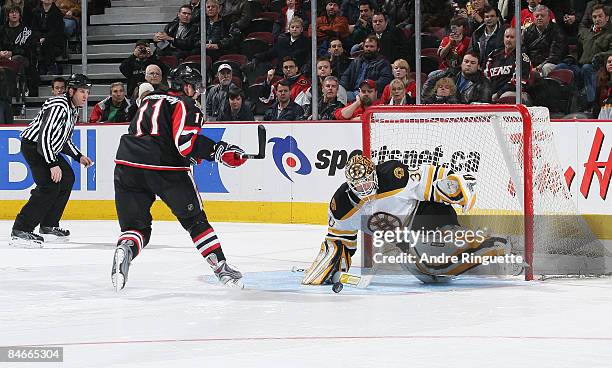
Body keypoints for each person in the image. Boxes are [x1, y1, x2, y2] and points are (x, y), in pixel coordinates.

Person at [112, 64, 247, 291]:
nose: (197, 92)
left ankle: (126, 248)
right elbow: (185, 145)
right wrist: (219, 151)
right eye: (195, 87)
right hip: (166, 169)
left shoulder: (150, 100)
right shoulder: (187, 105)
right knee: (195, 222)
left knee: (137, 228)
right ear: (186, 87)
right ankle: (221, 268)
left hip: (127, 165)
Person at [301, 154, 508, 285]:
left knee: (429, 253)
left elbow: (429, 176)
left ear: (373, 174)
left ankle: (491, 243)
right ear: (349, 185)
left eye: (367, 183)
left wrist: (454, 187)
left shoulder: (392, 176)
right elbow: (338, 242)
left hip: (427, 213)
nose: (365, 190)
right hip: (408, 243)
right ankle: (480, 257)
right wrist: (328, 268)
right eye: (359, 186)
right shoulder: (342, 206)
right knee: (431, 275)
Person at [9, 74, 94, 248]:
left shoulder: (72, 108)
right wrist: (52, 164)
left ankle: (48, 224)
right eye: (82, 92)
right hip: (34, 147)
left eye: (87, 91)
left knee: (67, 177)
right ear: (71, 91)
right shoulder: (59, 106)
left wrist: (78, 156)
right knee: (49, 186)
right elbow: (44, 136)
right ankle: (21, 229)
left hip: (46, 148)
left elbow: (63, 139)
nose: (86, 96)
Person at [485, 27, 532, 103]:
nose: (508, 40)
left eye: (512, 37)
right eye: (507, 37)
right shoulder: (493, 55)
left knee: (506, 97)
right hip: (493, 94)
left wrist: (498, 94)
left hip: (513, 94)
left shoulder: (522, 58)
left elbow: (517, 83)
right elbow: (486, 77)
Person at [340, 35, 393, 102]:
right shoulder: (357, 61)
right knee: (338, 94)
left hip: (369, 93)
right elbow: (346, 76)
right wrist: (341, 88)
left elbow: (386, 79)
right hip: (353, 92)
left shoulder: (383, 63)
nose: (368, 49)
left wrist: (368, 86)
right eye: (366, 46)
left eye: (372, 47)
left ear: (378, 49)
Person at [522, 5, 567, 77]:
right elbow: (523, 52)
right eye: (537, 16)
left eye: (542, 16)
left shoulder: (557, 31)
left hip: (552, 64)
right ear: (533, 18)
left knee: (546, 67)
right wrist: (528, 66)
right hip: (531, 65)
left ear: (549, 18)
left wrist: (538, 68)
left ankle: (545, 88)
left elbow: (554, 56)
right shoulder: (527, 31)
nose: (539, 18)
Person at [32, 0, 65, 75]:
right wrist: (40, 37)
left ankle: (47, 66)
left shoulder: (57, 12)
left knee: (47, 43)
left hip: (54, 40)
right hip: (39, 38)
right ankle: (41, 68)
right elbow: (34, 28)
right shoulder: (35, 11)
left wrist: (45, 38)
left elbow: (57, 30)